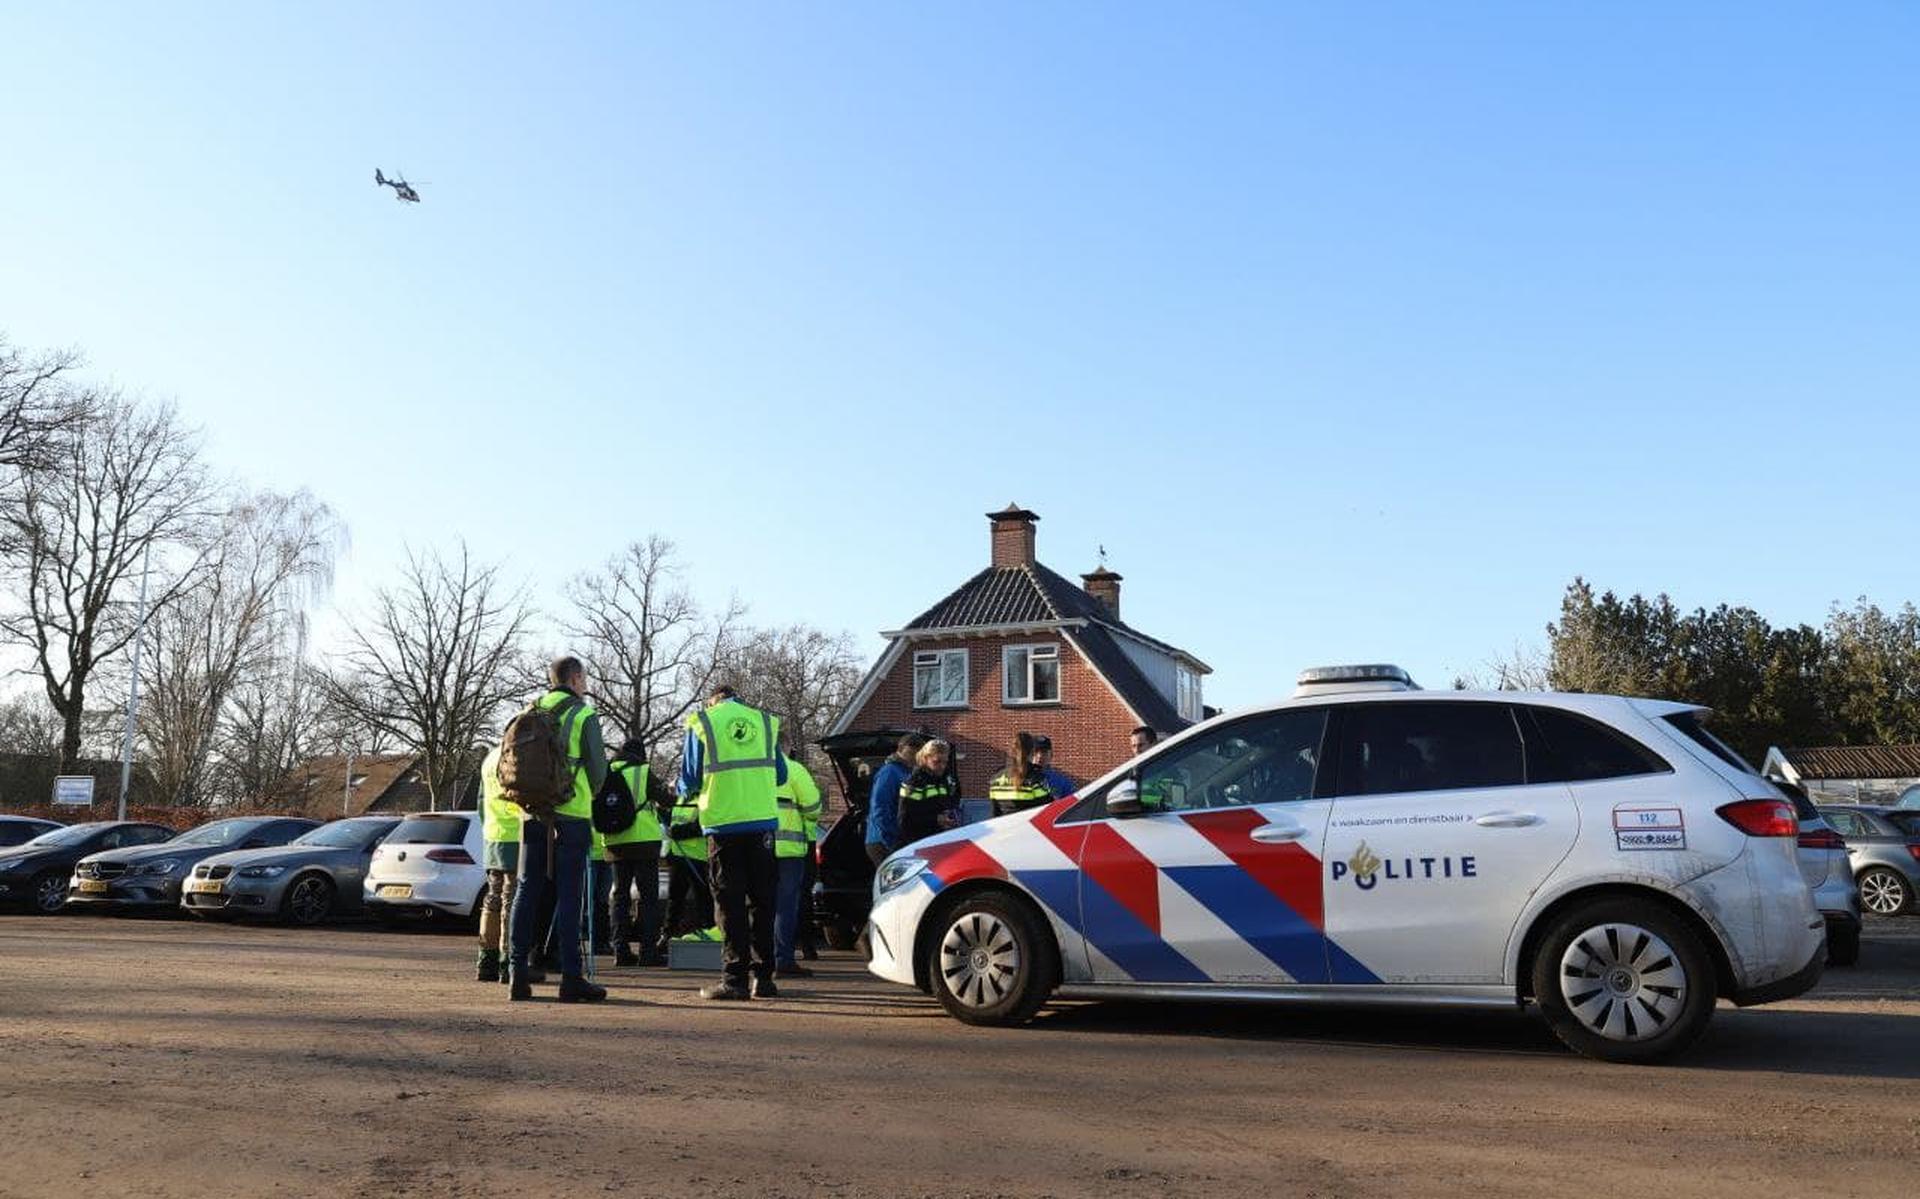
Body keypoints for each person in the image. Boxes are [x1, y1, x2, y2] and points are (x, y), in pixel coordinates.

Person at [506, 656, 608, 1004]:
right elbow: (598, 772)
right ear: (576, 678)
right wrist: (585, 794)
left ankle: (516, 973)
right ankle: (571, 978)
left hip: (533, 814)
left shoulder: (531, 709)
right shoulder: (583, 714)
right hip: (572, 815)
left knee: (526, 889)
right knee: (570, 896)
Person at [679, 684, 787, 1001]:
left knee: (729, 903)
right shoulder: (765, 722)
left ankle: (735, 979)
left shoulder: (703, 722)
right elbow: (780, 775)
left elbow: (690, 779)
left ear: (713, 701)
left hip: (724, 825)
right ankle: (764, 979)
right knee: (762, 902)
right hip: (762, 824)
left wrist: (682, 789)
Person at [476, 744, 537, 985]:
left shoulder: (490, 758)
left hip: (493, 834)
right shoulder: (517, 755)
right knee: (510, 900)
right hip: (516, 834)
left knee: (492, 899)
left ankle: (485, 960)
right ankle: (507, 961)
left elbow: (481, 801)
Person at [603, 737, 666, 967]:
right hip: (644, 841)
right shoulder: (643, 771)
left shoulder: (608, 770)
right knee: (648, 898)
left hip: (615, 841)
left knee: (619, 897)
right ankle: (648, 952)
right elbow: (665, 799)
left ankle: (620, 950)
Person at [772, 748, 823, 978]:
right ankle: (783, 959)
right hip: (789, 849)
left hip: (759, 847)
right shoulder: (794, 769)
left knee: (762, 905)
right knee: (786, 906)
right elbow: (813, 808)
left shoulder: (755, 770)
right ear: (788, 748)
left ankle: (762, 958)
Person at [656, 787, 711, 954]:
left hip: (698, 858)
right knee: (675, 899)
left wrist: (678, 832)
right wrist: (660, 813)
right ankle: (667, 935)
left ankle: (709, 933)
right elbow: (673, 820)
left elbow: (703, 825)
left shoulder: (704, 797)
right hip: (678, 856)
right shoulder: (681, 799)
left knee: (704, 899)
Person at [864, 733, 925, 864]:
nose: (914, 757)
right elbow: (880, 807)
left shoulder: (908, 773)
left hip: (897, 840)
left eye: (918, 753)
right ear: (900, 749)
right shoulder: (890, 772)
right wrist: (892, 841)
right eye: (911, 753)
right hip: (883, 841)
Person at [898, 739, 959, 847]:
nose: (942, 766)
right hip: (920, 843)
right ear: (925, 758)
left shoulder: (946, 780)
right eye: (937, 762)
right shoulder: (914, 782)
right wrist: (935, 819)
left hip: (942, 840)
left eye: (945, 762)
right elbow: (904, 821)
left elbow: (951, 803)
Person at [990, 732, 1054, 815]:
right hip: (1028, 827)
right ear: (1032, 752)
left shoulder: (996, 779)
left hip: (1003, 827)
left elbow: (995, 813)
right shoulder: (1035, 777)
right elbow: (1048, 810)